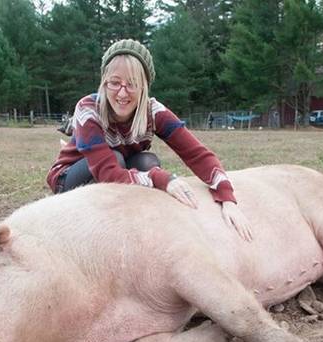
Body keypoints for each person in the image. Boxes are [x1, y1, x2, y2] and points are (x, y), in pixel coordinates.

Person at [46, 39, 253, 241]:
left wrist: (226, 197)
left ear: (144, 86)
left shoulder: (154, 112)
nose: (122, 92)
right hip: (71, 178)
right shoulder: (88, 109)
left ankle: (133, 228)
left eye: (132, 84)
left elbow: (197, 154)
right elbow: (108, 172)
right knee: (119, 159)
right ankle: (87, 230)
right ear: (104, 83)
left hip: (117, 174)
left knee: (147, 161)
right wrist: (160, 178)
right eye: (115, 83)